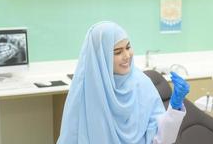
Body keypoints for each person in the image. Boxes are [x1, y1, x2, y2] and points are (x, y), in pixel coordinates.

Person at [57, 21, 190, 144]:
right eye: (118, 52)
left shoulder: (142, 84)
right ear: (101, 57)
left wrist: (175, 108)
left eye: (128, 47)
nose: (127, 55)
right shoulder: (85, 92)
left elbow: (160, 140)